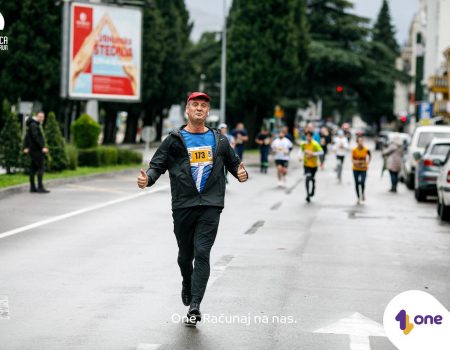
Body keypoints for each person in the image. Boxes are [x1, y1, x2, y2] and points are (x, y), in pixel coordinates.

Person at [137, 92, 248, 326]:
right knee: (185, 256)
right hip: (183, 205)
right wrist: (148, 179)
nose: (199, 108)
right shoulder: (174, 139)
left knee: (202, 252)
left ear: (208, 112)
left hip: (210, 205)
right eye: (195, 105)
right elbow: (157, 166)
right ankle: (187, 282)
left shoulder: (219, 140)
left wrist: (241, 173)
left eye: (203, 106)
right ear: (187, 110)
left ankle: (195, 305)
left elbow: (234, 164)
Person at [24, 112, 50, 193]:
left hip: (33, 150)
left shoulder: (33, 124)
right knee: (41, 168)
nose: (42, 118)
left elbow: (27, 137)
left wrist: (26, 147)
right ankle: (40, 187)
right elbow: (35, 137)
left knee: (33, 168)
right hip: (37, 150)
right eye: (40, 116)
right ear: (36, 116)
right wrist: (42, 147)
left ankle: (32, 188)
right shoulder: (34, 125)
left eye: (43, 116)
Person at [300, 131, 323, 202]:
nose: (308, 138)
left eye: (309, 136)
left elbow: (321, 152)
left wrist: (313, 153)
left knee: (312, 178)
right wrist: (300, 157)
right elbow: (300, 151)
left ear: (311, 137)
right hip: (306, 164)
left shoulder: (315, 144)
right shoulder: (303, 144)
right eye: (307, 136)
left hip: (314, 165)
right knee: (307, 178)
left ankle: (313, 187)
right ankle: (308, 195)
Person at [352, 135, 371, 204]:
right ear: (357, 142)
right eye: (359, 141)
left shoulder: (366, 150)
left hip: (364, 168)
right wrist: (359, 162)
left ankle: (362, 193)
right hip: (355, 168)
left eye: (361, 141)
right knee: (356, 183)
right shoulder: (354, 150)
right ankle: (358, 197)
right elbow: (353, 160)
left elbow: (370, 156)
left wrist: (367, 163)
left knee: (362, 182)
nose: (360, 142)